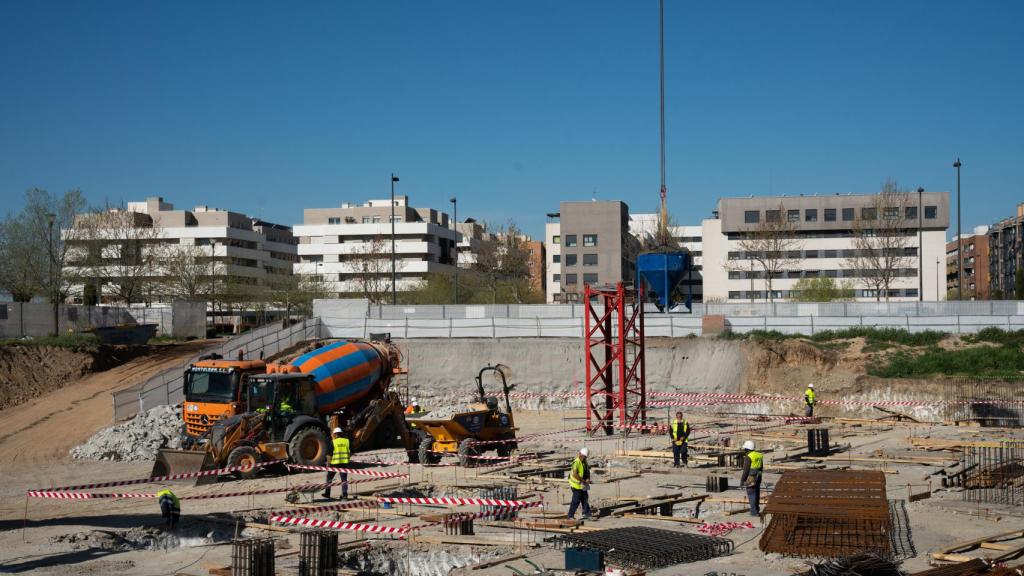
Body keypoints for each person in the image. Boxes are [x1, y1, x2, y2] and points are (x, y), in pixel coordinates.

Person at [322, 427, 350, 500]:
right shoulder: (346, 441)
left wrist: (328, 464)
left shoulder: (333, 442)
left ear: (335, 434)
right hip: (344, 463)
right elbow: (350, 452)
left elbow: (329, 455)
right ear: (341, 434)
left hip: (334, 464)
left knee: (329, 478)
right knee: (344, 480)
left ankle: (327, 493)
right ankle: (345, 496)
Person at [567, 447, 592, 521]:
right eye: (583, 456)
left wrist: (588, 478)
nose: (583, 458)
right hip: (576, 485)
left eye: (585, 457)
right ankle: (570, 516)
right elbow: (575, 474)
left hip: (582, 484)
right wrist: (583, 480)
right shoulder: (576, 462)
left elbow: (587, 471)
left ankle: (587, 514)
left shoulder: (584, 461)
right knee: (576, 500)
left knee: (585, 498)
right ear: (580, 454)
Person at [740, 440, 763, 517]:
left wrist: (742, 480)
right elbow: (761, 467)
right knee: (757, 493)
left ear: (747, 449)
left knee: (751, 494)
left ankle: (754, 512)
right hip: (758, 476)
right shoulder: (759, 455)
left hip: (751, 477)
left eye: (745, 448)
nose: (744, 450)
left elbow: (746, 470)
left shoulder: (748, 456)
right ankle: (757, 509)